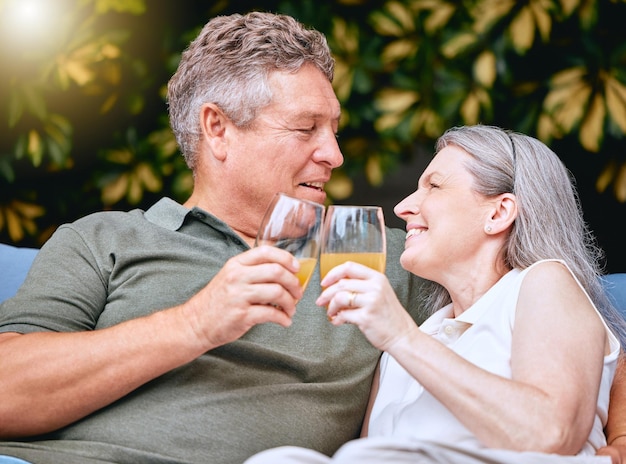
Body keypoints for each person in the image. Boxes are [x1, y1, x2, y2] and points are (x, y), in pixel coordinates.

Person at [0, 11, 427, 464]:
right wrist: (196, 324)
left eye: (334, 131)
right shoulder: (105, 238)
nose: (334, 155)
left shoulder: (371, 252)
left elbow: (502, 285)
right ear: (218, 129)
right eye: (306, 129)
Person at [244, 124, 626, 464]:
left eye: (434, 186)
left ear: (498, 213)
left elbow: (551, 435)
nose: (403, 206)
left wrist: (399, 336)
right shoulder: (423, 334)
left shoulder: (543, 282)